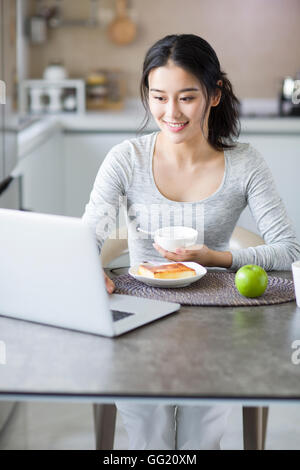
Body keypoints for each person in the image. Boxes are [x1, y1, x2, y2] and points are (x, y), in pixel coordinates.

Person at [82, 34, 300, 449]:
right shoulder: (125, 158)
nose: (171, 112)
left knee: (201, 440)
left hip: (216, 323)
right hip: (138, 318)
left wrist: (215, 256)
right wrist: (90, 267)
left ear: (214, 95)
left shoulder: (244, 162)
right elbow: (87, 236)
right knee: (151, 440)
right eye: (159, 97)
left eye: (186, 97)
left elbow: (289, 250)